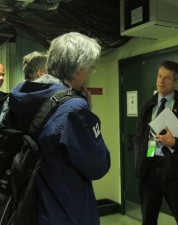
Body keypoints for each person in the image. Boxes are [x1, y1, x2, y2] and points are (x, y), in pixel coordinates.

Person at [3, 32, 111, 225]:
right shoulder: (73, 109)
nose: (90, 72)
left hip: (25, 207)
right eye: (90, 68)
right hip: (63, 210)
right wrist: (89, 115)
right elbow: (98, 165)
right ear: (78, 69)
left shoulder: (19, 96)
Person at [135, 60, 178, 225]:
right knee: (148, 220)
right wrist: (140, 162)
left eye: (166, 78)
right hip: (149, 169)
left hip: (174, 172)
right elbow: (139, 136)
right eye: (159, 76)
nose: (161, 81)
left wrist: (174, 142)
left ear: (176, 82)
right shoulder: (147, 106)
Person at [0, 51, 48, 123]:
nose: (1, 78)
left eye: (3, 75)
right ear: (40, 73)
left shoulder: (10, 98)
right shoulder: (48, 99)